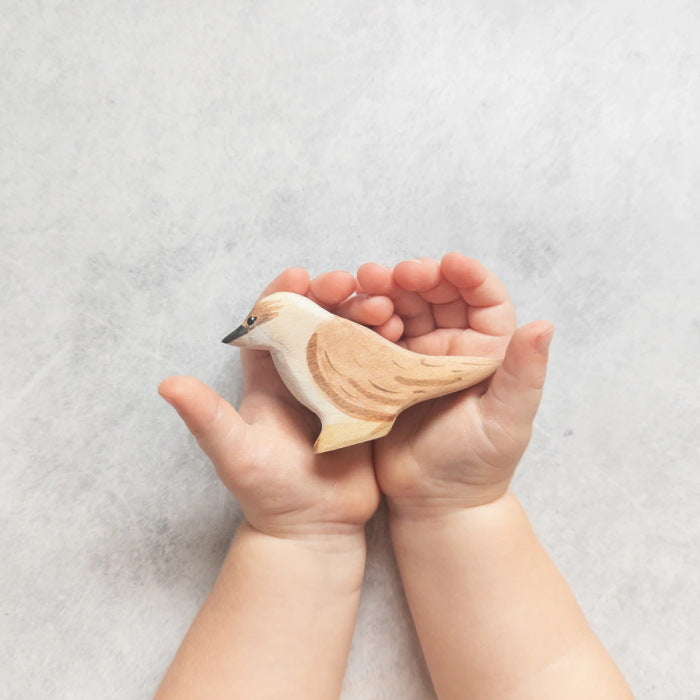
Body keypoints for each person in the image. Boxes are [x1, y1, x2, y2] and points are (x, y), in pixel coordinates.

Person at [154, 253, 632, 699]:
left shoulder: (320, 342)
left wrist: (302, 535)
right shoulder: (304, 347)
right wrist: (450, 510)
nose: (246, 332)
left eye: (256, 325)